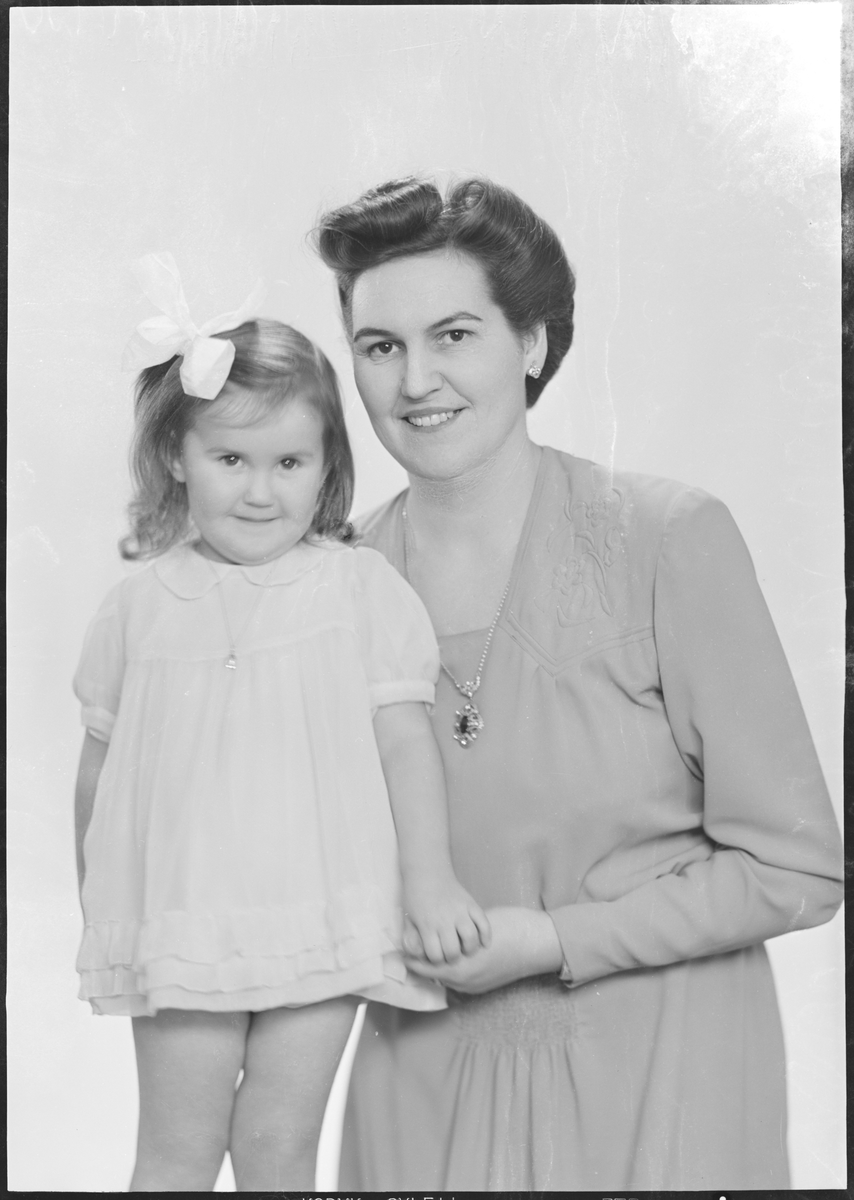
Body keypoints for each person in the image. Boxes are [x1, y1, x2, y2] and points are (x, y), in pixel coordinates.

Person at [314, 177, 844, 1191]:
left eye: (454, 335)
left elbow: (798, 868)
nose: (415, 380)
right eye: (380, 347)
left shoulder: (666, 539)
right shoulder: (329, 584)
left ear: (532, 343)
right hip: (420, 1094)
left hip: (661, 1085)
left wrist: (552, 938)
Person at [72, 254, 490, 1192]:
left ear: (327, 466)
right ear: (176, 456)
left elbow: (405, 745)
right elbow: (99, 771)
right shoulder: (138, 610)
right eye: (231, 460)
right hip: (184, 918)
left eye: (290, 463)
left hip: (325, 913)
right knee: (177, 1150)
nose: (261, 493)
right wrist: (104, 905)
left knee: (276, 1146)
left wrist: (429, 881)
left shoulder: (359, 590)